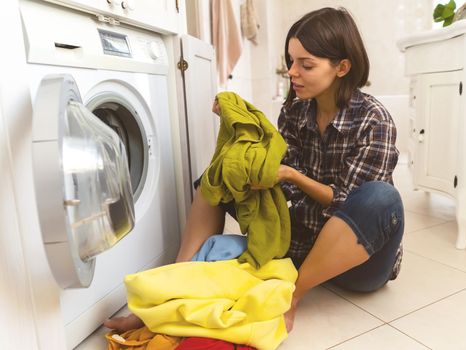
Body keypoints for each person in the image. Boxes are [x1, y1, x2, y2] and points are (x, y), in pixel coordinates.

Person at [105, 6, 404, 335]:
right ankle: (175, 284)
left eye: (306, 65)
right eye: (290, 62)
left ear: (342, 67)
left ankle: (292, 296)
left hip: (358, 263)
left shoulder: (374, 119)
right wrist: (238, 130)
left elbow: (346, 203)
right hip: (299, 246)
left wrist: (291, 176)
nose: (292, 72)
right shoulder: (294, 113)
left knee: (381, 197)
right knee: (216, 177)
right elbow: (276, 181)